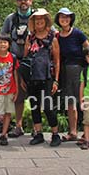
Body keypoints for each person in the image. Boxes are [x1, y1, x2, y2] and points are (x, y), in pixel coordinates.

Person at [24, 8, 62, 147]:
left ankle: (55, 134)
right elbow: (25, 58)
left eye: (41, 19)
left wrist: (56, 80)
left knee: (47, 106)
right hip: (32, 76)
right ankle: (38, 133)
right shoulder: (30, 37)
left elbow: (57, 60)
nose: (39, 22)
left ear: (46, 21)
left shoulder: (53, 37)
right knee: (34, 105)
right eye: (36, 19)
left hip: (47, 76)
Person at [0, 0, 33, 137]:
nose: (23, 2)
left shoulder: (38, 17)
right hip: (15, 63)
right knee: (18, 95)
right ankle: (18, 126)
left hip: (34, 62)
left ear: (30, 1)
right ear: (17, 2)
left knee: (36, 95)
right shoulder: (11, 19)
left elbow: (52, 34)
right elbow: (3, 38)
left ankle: (36, 126)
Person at [54, 7, 89, 142]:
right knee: (70, 102)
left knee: (82, 100)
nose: (64, 19)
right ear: (58, 20)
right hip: (65, 71)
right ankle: (73, 131)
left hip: (78, 70)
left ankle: (86, 133)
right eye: (62, 17)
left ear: (71, 19)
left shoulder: (78, 33)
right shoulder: (57, 36)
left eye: (67, 17)